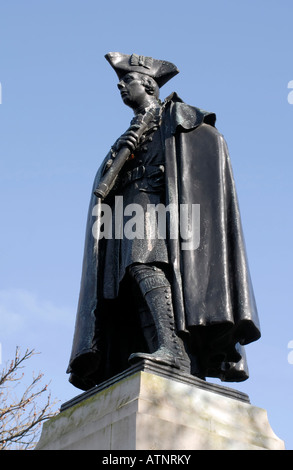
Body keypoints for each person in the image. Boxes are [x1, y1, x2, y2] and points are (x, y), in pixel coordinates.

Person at [67, 52, 261, 391]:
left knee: (144, 266)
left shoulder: (177, 117)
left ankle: (174, 348)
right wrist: (116, 157)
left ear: (148, 85)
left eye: (127, 82)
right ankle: (160, 345)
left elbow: (203, 151)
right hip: (125, 205)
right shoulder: (129, 131)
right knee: (128, 279)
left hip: (155, 202)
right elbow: (105, 183)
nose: (121, 87)